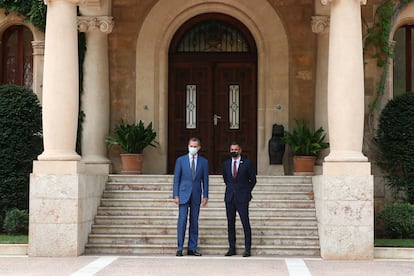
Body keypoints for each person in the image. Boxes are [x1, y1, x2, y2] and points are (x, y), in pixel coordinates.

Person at [173, 137, 209, 257]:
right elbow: (176, 179)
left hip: (196, 194)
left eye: (195, 146)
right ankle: (179, 248)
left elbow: (205, 180)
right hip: (183, 194)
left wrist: (206, 195)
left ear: (199, 147)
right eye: (191, 146)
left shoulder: (204, 162)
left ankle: (192, 248)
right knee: (182, 220)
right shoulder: (181, 160)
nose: (193, 148)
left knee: (194, 221)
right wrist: (176, 195)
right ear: (188, 146)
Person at [222, 142, 256, 257]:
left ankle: (247, 248)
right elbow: (226, 179)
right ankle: (232, 248)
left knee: (245, 223)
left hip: (242, 198)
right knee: (230, 223)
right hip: (230, 197)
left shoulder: (247, 163)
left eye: (235, 149)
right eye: (232, 149)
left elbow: (253, 180)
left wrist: (246, 191)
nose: (233, 151)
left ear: (240, 150)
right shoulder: (226, 164)